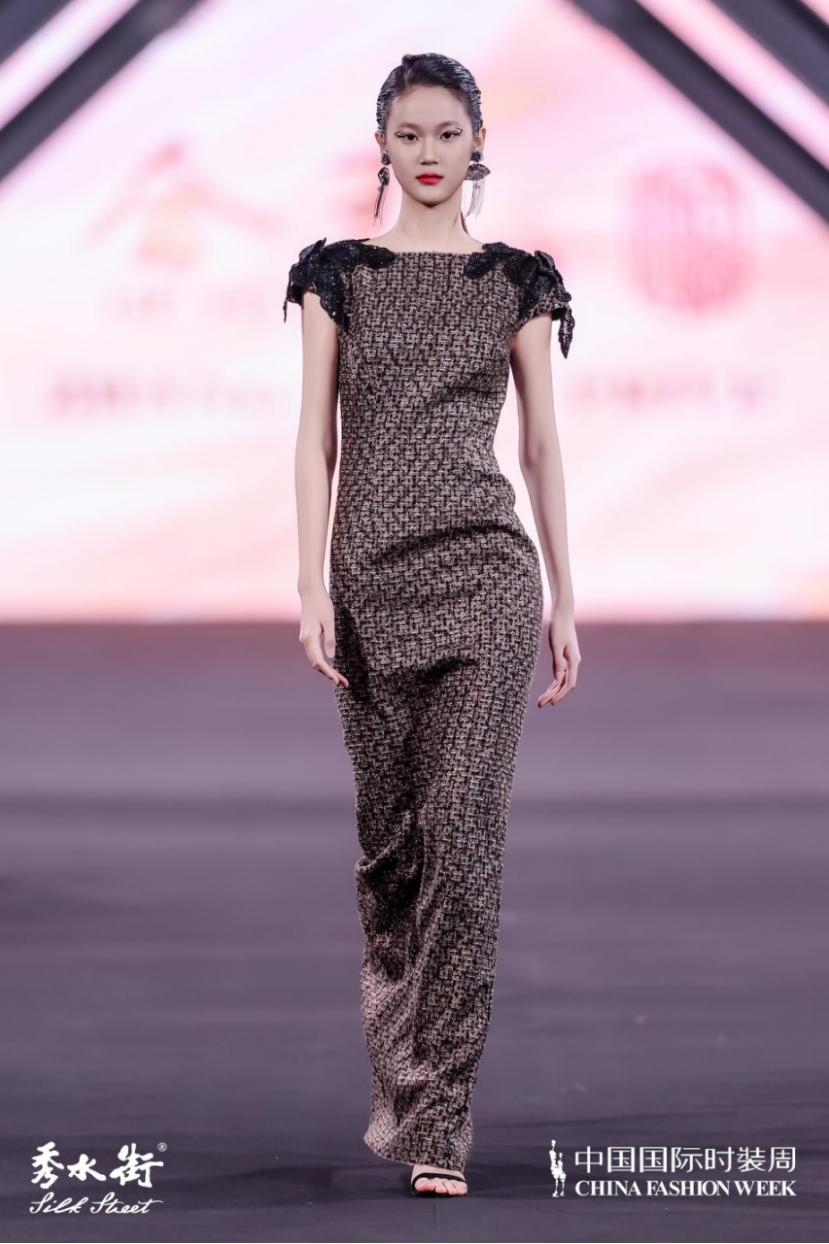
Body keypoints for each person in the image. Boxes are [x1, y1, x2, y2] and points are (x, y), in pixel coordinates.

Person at [284, 52, 580, 1198]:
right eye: (407, 134)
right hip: (368, 580)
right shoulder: (336, 277)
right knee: (395, 850)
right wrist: (309, 583)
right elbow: (314, 438)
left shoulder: (517, 280)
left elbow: (541, 444)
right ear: (381, 145)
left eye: (446, 133)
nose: (426, 153)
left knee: (462, 831)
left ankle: (438, 1116)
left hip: (487, 578)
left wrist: (563, 594)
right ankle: (403, 1076)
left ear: (477, 144)